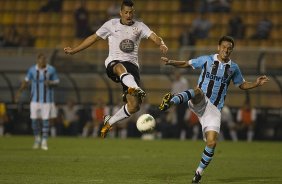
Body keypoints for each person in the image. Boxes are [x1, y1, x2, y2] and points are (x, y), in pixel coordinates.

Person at [158, 35, 269, 183]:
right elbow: (187, 63)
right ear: (218, 47)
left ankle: (198, 173)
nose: (226, 50)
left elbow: (241, 84)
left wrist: (255, 83)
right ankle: (170, 102)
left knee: (211, 143)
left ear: (232, 50)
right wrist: (170, 62)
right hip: (201, 100)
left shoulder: (233, 68)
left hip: (214, 109)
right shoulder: (207, 60)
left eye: (229, 48)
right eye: (224, 47)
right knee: (198, 91)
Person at [64, 0, 168, 138]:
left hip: (132, 67)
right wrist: (74, 50)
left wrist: (161, 43)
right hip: (114, 63)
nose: (128, 15)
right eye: (126, 12)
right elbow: (93, 38)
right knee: (120, 67)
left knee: (134, 106)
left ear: (133, 12)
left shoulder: (140, 26)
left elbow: (154, 36)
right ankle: (134, 88)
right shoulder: (110, 25)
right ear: (120, 12)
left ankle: (110, 121)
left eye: (131, 12)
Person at [15, 53, 59, 150]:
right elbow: (26, 81)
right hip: (34, 100)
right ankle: (37, 138)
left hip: (47, 100)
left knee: (46, 121)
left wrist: (51, 83)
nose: (43, 61)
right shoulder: (32, 70)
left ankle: (44, 141)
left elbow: (57, 82)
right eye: (41, 60)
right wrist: (19, 93)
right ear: (37, 60)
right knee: (34, 120)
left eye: (45, 59)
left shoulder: (51, 69)